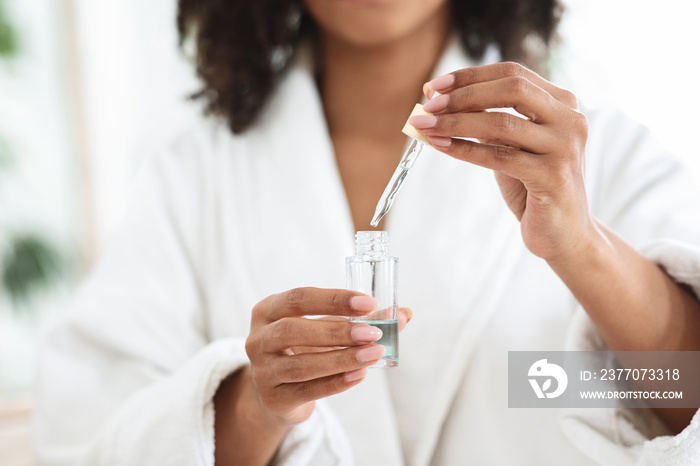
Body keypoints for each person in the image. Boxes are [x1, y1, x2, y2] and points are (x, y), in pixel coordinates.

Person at [34, 0, 700, 465]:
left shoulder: (604, 155)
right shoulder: (191, 180)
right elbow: (88, 441)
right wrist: (254, 406)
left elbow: (687, 393)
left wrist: (582, 247)